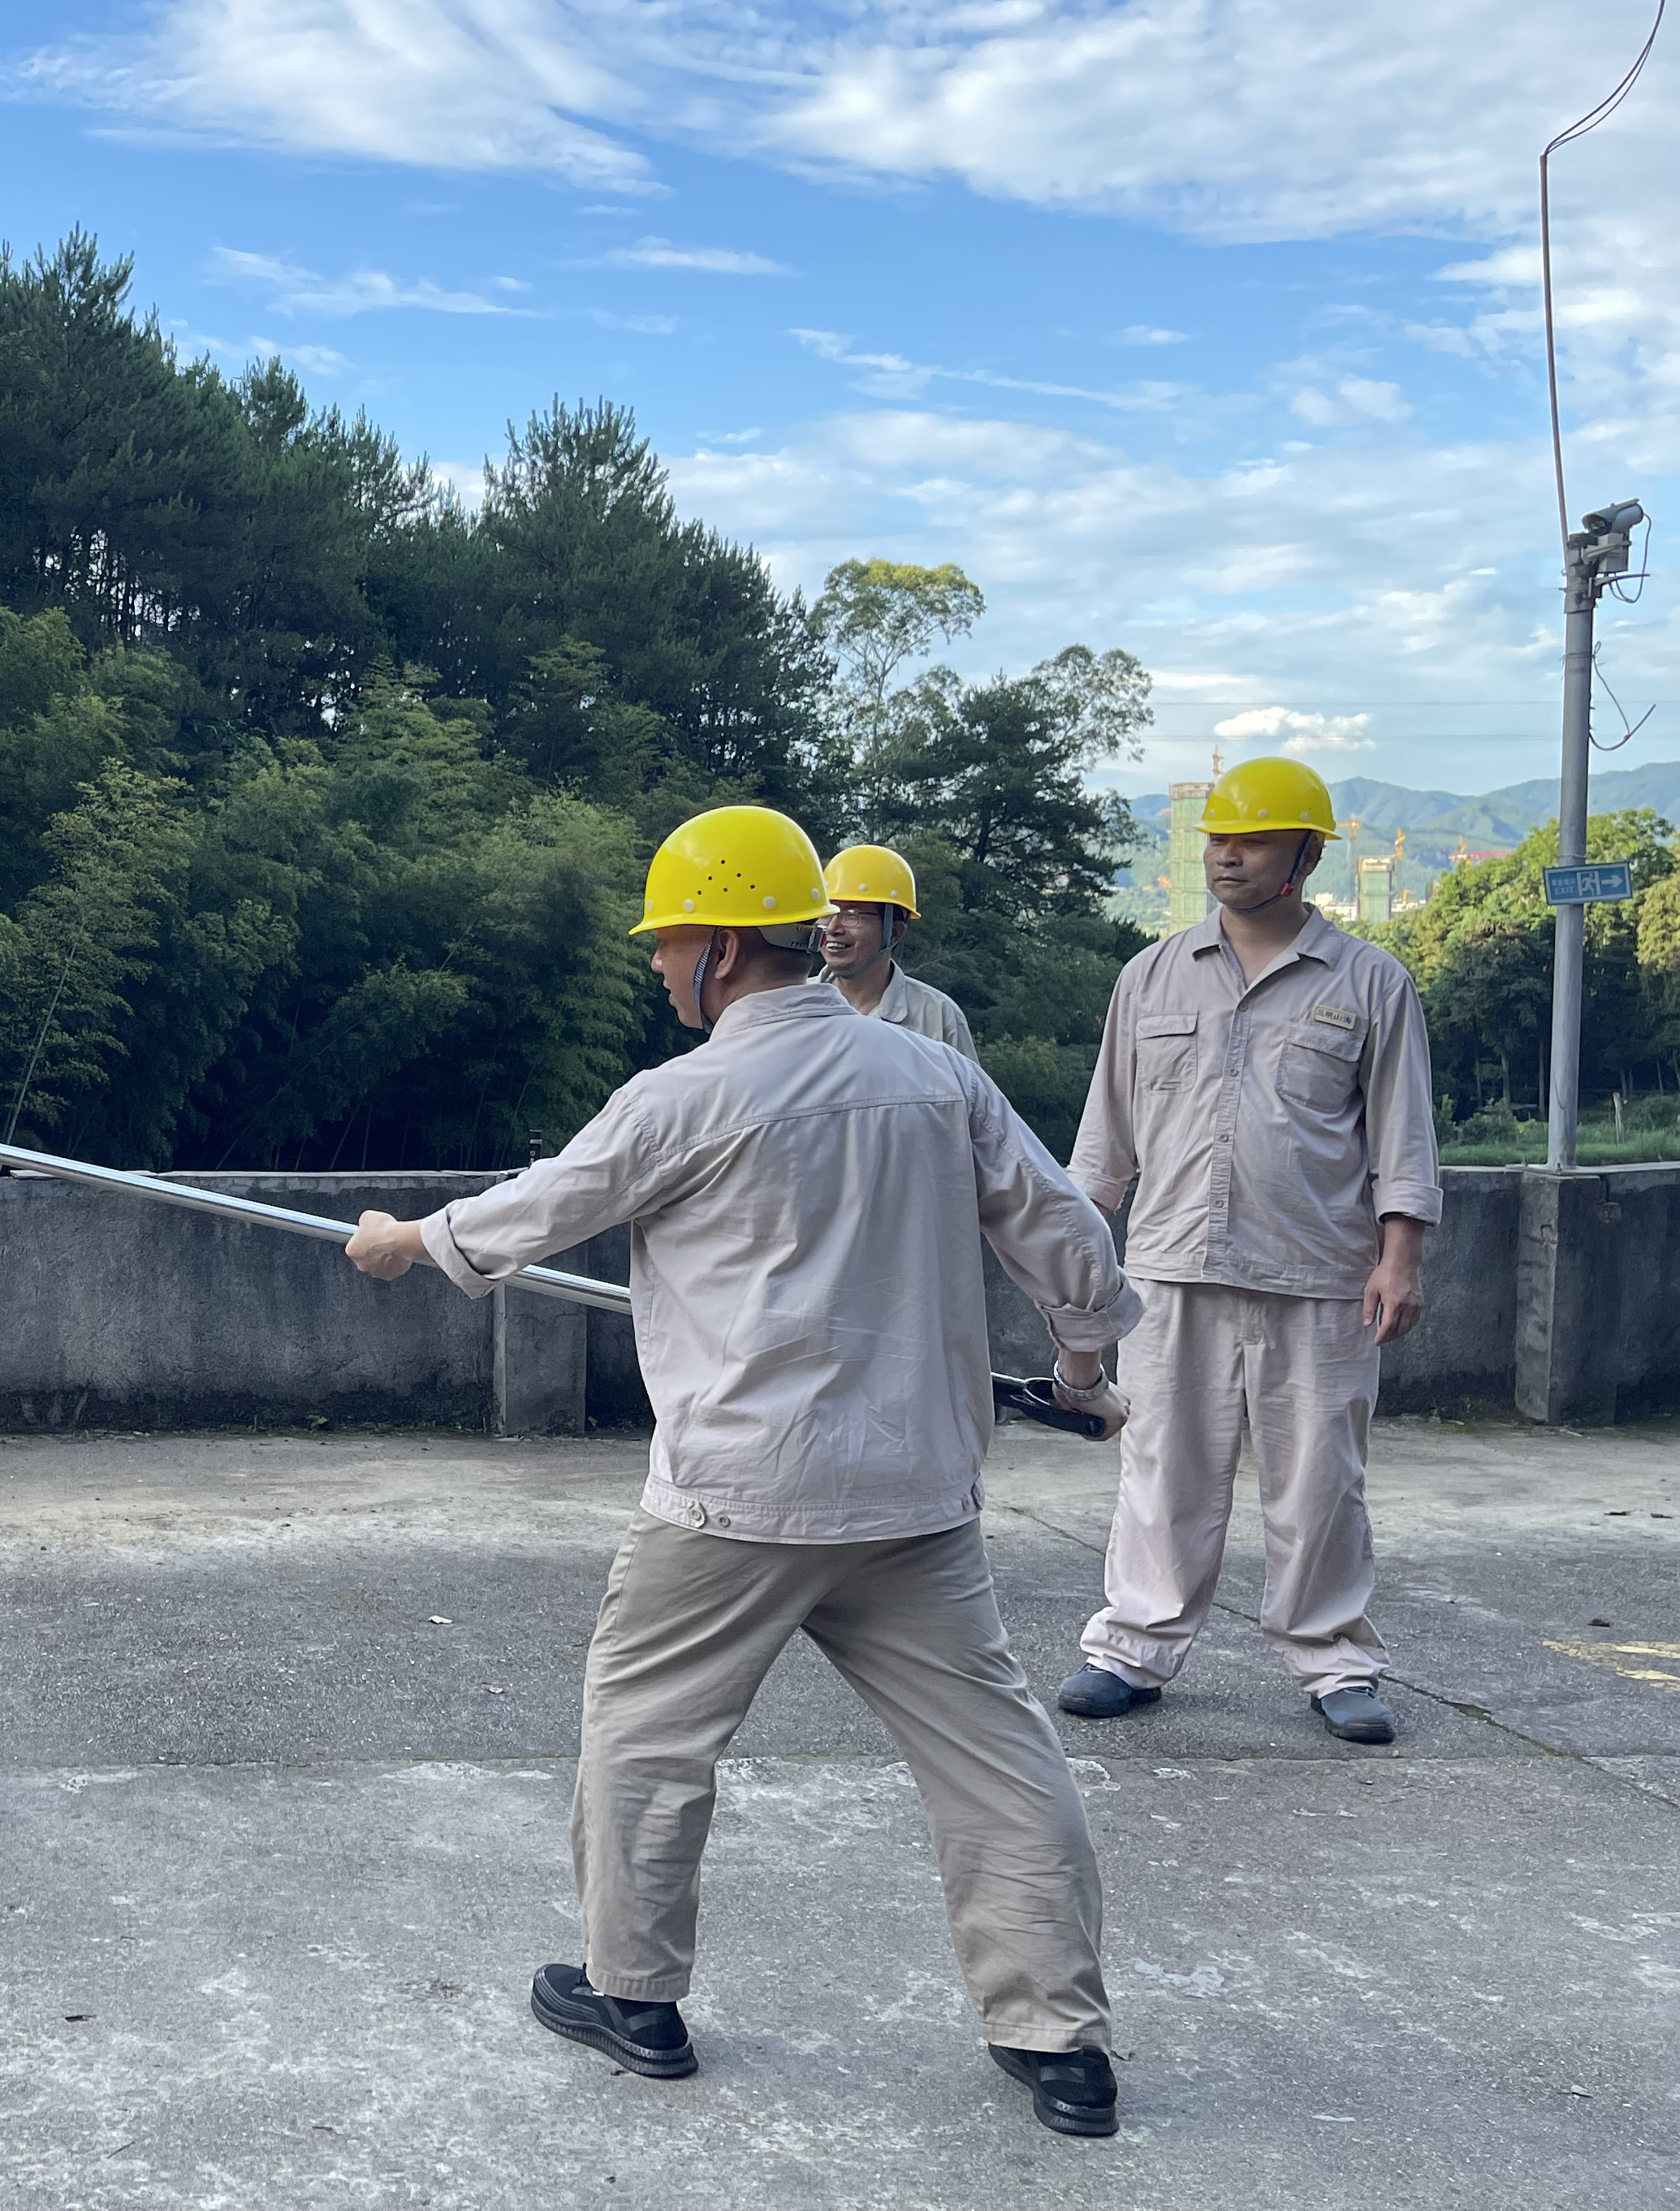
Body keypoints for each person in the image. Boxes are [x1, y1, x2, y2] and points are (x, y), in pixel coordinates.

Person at [342, 805, 1144, 2140]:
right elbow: (1066, 1235)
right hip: (913, 1493)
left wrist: (403, 1239)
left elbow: (536, 1208)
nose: (659, 965)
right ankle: (1060, 2039)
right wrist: (1078, 1361)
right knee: (997, 1756)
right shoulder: (933, 1077)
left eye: (668, 942)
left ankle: (632, 1994)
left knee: (645, 1731)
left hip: (736, 1499)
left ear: (720, 946)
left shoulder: (684, 1095)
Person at [1056, 757, 1440, 1747]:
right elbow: (1105, 1141)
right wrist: (1078, 1259)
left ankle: (1335, 1660)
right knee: (1163, 1470)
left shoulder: (1369, 982)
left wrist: (1400, 1258)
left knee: (1320, 1481)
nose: (1227, 855)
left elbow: (1403, 1134)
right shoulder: (1150, 976)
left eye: (1254, 840)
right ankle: (1132, 1649)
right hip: (1170, 1268)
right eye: (1218, 839)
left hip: (1319, 1272)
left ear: (1305, 856)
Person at [817, 842, 978, 1060]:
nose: (833, 928)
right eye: (827, 913)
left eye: (852, 915)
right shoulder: (791, 1003)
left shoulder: (937, 1018)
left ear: (893, 932)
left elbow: (968, 1083)